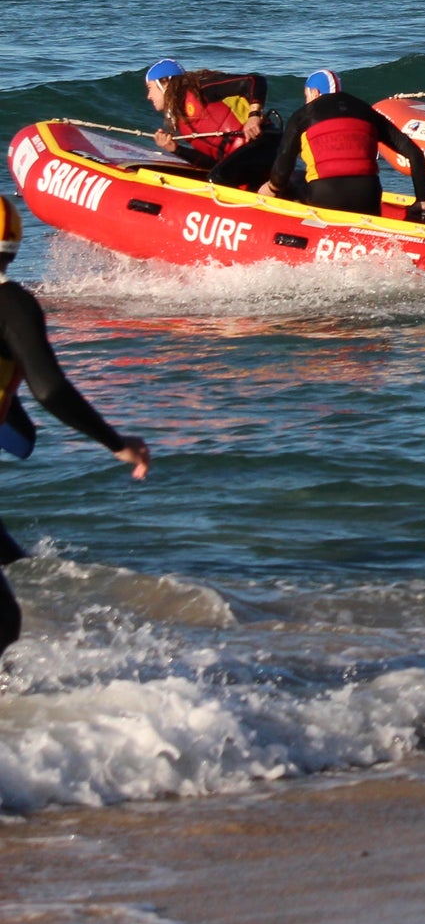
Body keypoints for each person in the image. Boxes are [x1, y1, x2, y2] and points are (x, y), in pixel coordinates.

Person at [0, 197, 152, 659]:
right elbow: (50, 390)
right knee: (5, 621)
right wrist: (116, 443)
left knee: (14, 565)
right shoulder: (11, 303)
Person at [266, 70, 425, 219]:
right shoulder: (366, 111)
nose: (306, 100)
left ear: (313, 92)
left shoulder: (303, 115)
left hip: (325, 196)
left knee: (295, 177)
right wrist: (421, 200)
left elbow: (282, 168)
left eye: (306, 95)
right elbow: (415, 154)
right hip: (368, 197)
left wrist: (272, 189)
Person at [144, 60, 279, 189]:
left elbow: (255, 81)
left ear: (165, 82)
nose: (148, 96)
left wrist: (254, 116)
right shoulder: (182, 123)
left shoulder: (200, 89)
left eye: (150, 88)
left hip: (265, 143)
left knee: (218, 178)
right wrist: (176, 149)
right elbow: (211, 163)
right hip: (246, 160)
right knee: (217, 175)